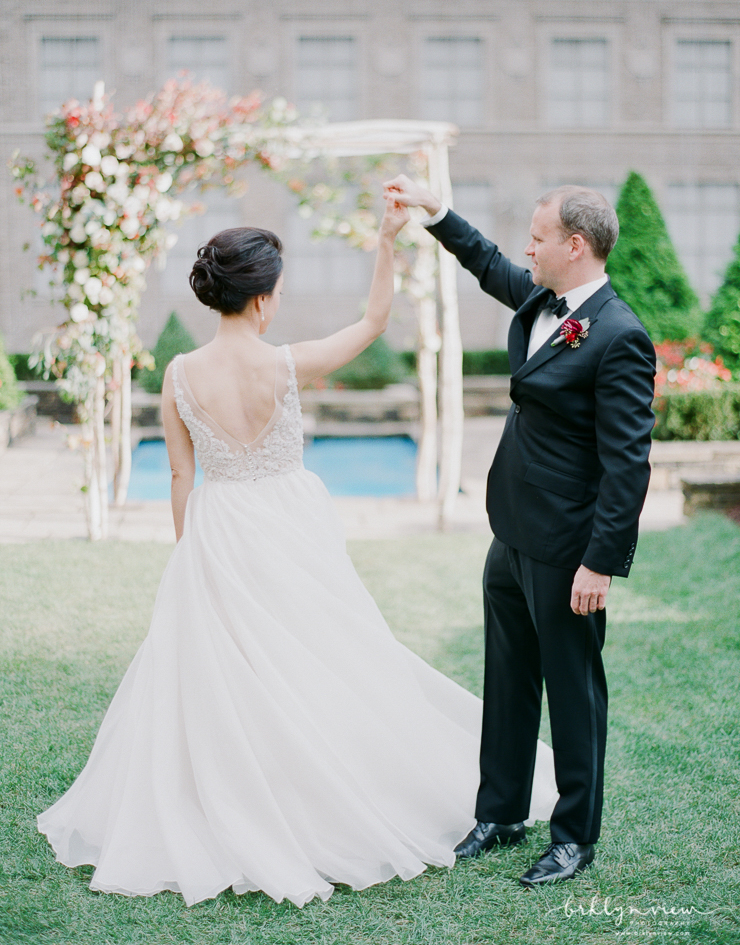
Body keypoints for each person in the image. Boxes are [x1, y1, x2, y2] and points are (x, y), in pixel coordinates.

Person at [37, 196, 557, 908]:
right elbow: (373, 323)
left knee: (227, 675)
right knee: (319, 659)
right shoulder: (285, 364)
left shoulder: (180, 374)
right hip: (288, 525)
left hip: (218, 527)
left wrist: (190, 555)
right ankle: (313, 791)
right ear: (261, 298)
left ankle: (236, 798)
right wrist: (385, 242)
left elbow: (182, 476)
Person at [383, 176, 656, 888]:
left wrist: (599, 563)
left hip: (567, 547)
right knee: (506, 679)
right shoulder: (540, 298)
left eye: (538, 238)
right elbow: (486, 262)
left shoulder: (620, 336)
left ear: (576, 245)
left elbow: (628, 465)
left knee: (573, 691)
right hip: (510, 532)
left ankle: (574, 837)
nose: (527, 250)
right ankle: (501, 812)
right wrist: (436, 212)